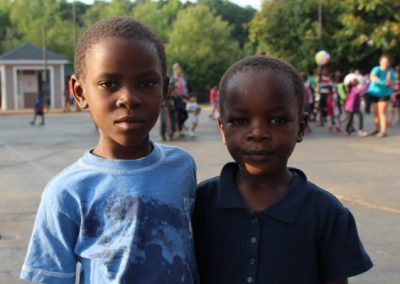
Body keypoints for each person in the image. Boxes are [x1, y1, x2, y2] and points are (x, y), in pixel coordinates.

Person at [21, 16, 198, 283]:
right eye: (109, 84)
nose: (129, 98)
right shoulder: (66, 192)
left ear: (164, 89)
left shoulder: (182, 167)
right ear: (80, 92)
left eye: (146, 83)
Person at [192, 56, 373, 284]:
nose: (257, 133)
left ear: (302, 126)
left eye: (277, 120)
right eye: (240, 121)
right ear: (222, 128)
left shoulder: (327, 214)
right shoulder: (199, 204)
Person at [367, 55, 396, 137]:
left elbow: (392, 83)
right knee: (375, 112)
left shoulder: (390, 72)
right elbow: (372, 77)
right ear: (380, 62)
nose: (384, 64)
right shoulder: (376, 69)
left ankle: (383, 131)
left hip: (385, 94)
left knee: (382, 111)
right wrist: (382, 82)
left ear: (389, 64)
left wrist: (389, 81)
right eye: (382, 62)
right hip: (374, 93)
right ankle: (377, 129)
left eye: (386, 62)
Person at [171, 63, 189, 136]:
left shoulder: (184, 77)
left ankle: (181, 126)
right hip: (176, 99)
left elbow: (187, 87)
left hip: (184, 97)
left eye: (180, 68)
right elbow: (171, 88)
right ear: (175, 70)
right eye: (177, 68)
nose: (179, 70)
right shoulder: (173, 79)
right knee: (178, 114)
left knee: (186, 114)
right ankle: (179, 129)